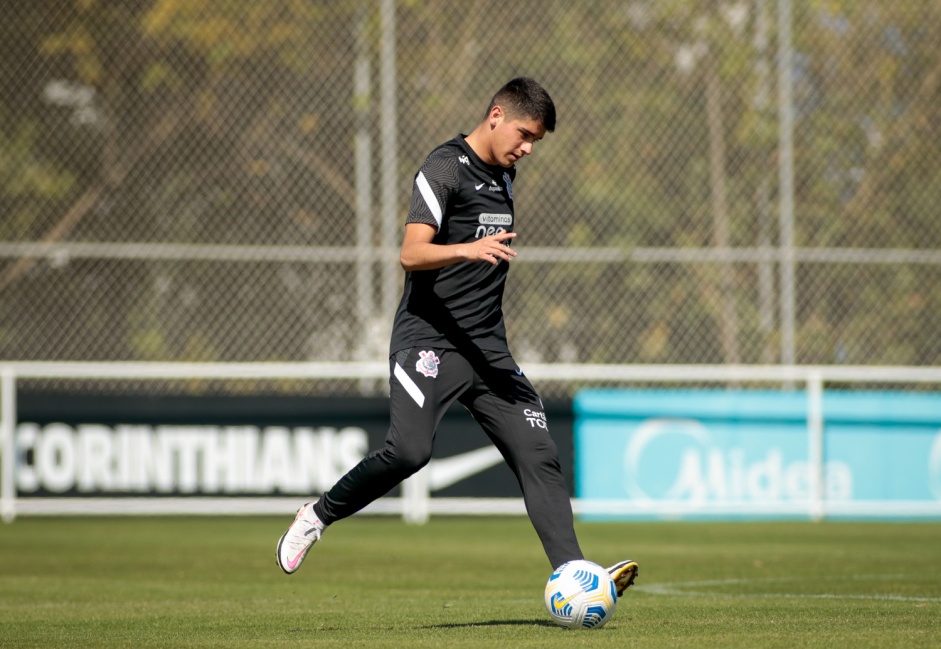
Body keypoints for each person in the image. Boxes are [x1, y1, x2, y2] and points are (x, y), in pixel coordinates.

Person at [276, 77, 638, 596]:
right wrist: (466, 249)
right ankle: (317, 514)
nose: (528, 148)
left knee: (538, 454)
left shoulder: (507, 175)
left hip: (489, 350)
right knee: (409, 453)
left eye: (535, 140)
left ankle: (576, 577)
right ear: (496, 114)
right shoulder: (443, 167)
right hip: (429, 338)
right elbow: (411, 254)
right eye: (524, 134)